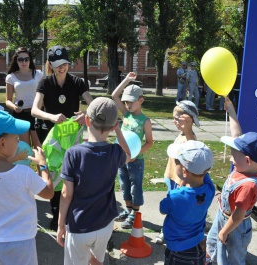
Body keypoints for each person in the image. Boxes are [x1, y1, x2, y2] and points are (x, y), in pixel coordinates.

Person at [0, 110, 54, 265]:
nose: (19, 141)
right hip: (23, 244)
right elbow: (48, 193)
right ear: (2, 143)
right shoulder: (24, 173)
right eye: (16, 138)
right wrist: (43, 165)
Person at [56, 97, 131, 265]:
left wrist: (61, 225)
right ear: (114, 126)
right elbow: (129, 155)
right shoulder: (115, 152)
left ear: (87, 120)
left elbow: (66, 194)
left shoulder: (73, 153)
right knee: (97, 260)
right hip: (105, 224)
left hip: (80, 226)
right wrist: (118, 130)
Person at [31, 45, 93, 231]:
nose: (61, 68)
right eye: (57, 64)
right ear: (50, 64)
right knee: (53, 174)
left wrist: (86, 115)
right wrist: (52, 116)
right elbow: (34, 109)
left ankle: (70, 212)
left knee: (72, 173)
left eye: (64, 64)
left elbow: (94, 104)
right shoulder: (45, 83)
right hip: (51, 136)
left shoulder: (77, 82)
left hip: (72, 136)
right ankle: (56, 211)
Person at [206, 97, 257, 265]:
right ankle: (210, 258)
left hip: (236, 227)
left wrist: (225, 231)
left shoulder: (248, 186)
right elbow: (237, 135)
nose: (231, 159)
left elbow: (237, 217)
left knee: (233, 255)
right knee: (213, 242)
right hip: (223, 216)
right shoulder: (244, 166)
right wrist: (232, 113)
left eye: (233, 156)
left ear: (248, 160)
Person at [160, 140, 215, 265]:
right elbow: (203, 174)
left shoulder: (176, 196)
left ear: (184, 171)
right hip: (198, 245)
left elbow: (162, 208)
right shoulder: (210, 189)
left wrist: (180, 187)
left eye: (176, 163)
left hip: (177, 249)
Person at [111, 72, 153, 229]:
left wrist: (136, 154)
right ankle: (128, 210)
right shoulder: (126, 114)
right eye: (126, 102)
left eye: (131, 102)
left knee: (136, 187)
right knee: (124, 185)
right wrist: (127, 80)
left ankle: (134, 213)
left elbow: (150, 142)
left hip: (136, 161)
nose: (127, 105)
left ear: (141, 101)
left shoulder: (145, 121)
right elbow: (114, 95)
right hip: (122, 158)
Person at [155, 99, 200, 244]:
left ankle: (169, 233)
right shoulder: (181, 135)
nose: (174, 121)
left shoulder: (190, 138)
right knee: (171, 207)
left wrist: (183, 181)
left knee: (175, 209)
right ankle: (167, 231)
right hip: (172, 177)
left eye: (176, 118)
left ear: (187, 119)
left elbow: (189, 163)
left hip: (180, 181)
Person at [5, 47, 43, 148]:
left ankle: (41, 164)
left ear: (30, 60)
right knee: (24, 149)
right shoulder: (11, 77)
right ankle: (24, 165)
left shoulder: (38, 74)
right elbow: (8, 100)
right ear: (16, 60)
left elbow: (45, 95)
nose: (24, 62)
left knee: (38, 148)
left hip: (36, 114)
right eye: (20, 59)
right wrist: (14, 107)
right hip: (20, 115)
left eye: (26, 59)